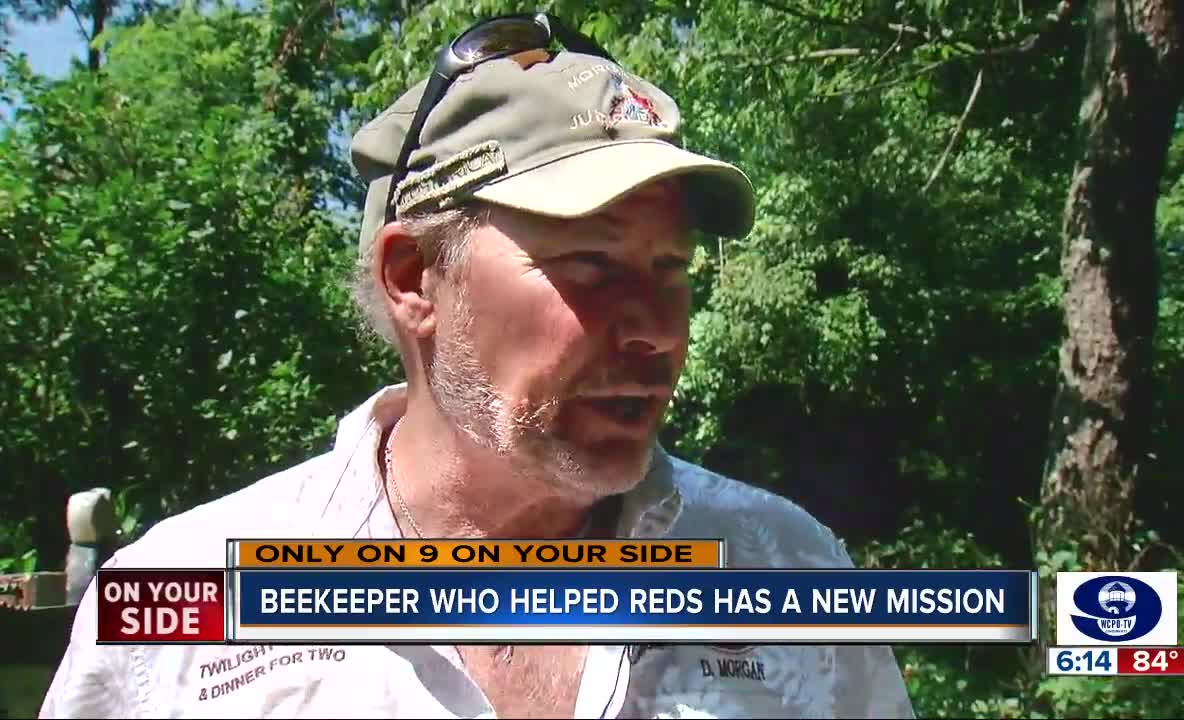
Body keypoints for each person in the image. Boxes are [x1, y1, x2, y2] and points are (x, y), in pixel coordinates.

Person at [40, 12, 914, 719]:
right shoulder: (182, 609)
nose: (656, 331)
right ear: (415, 278)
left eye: (670, 268)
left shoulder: (788, 574)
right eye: (590, 266)